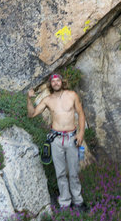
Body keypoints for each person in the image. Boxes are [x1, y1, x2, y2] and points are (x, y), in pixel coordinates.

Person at [27, 73, 86, 210]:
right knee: (60, 173)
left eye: (57, 80)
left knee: (73, 172)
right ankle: (65, 202)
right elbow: (32, 114)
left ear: (62, 82)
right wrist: (29, 99)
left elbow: (81, 113)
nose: (55, 83)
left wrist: (81, 132)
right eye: (53, 81)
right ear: (50, 84)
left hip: (72, 138)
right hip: (56, 140)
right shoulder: (47, 100)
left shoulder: (72, 95)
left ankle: (78, 201)